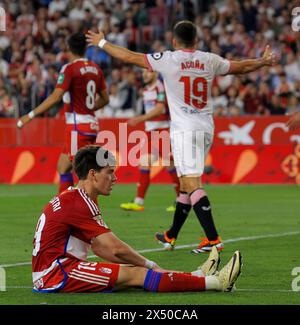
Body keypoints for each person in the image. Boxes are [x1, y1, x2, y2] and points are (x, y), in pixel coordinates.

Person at [86, 20, 277, 254]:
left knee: (192, 182)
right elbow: (241, 67)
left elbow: (129, 56)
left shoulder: (169, 59)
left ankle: (213, 239)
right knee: (187, 184)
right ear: (196, 40)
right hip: (206, 127)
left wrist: (102, 42)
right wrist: (263, 61)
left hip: (184, 129)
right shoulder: (209, 59)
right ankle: (171, 235)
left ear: (174, 41)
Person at [32, 145, 242, 293]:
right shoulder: (79, 202)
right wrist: (150, 264)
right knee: (139, 276)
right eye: (109, 172)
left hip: (57, 270)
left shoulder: (77, 197)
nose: (115, 178)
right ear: (93, 174)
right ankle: (216, 283)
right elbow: (114, 248)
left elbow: (101, 249)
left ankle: (196, 276)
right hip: (58, 273)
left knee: (135, 274)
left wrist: (144, 267)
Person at [16, 32, 109, 193]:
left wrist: (30, 115)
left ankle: (83, 211)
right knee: (63, 166)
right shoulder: (96, 69)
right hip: (91, 125)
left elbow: (56, 96)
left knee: (82, 174)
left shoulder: (70, 68)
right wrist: (88, 108)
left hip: (77, 128)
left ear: (68, 48)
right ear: (85, 48)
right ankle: (64, 207)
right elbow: (105, 99)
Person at [120, 68, 180, 212]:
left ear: (155, 73)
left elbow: (159, 109)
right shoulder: (146, 89)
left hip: (163, 132)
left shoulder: (160, 86)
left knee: (170, 166)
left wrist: (140, 118)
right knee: (145, 163)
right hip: (151, 133)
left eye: (148, 71)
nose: (144, 74)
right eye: (143, 72)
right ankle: (138, 202)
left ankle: (181, 201)